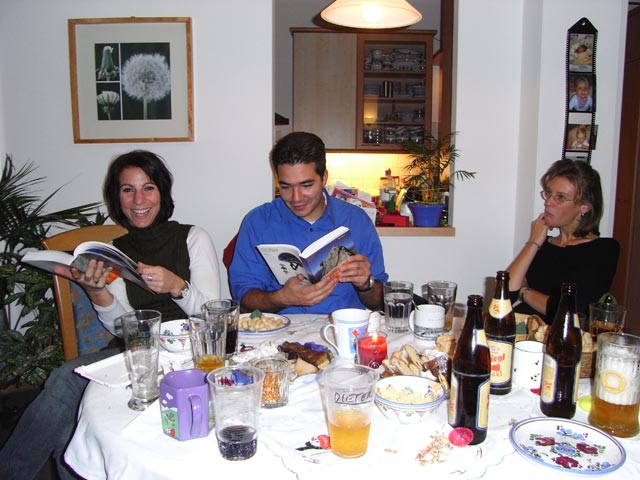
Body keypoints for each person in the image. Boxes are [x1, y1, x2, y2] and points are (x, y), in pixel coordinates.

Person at [0, 150, 220, 479]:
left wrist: (178, 287)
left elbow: (213, 319)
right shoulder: (115, 251)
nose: (138, 200)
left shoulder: (193, 237)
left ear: (162, 192)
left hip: (193, 356)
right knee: (67, 398)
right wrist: (96, 291)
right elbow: (122, 327)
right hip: (139, 354)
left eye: (148, 188)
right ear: (117, 197)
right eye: (127, 190)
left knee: (65, 389)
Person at [229, 131, 387, 314]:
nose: (296, 198)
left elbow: (379, 303)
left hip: (342, 327)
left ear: (324, 178)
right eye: (286, 187)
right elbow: (243, 300)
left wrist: (366, 284)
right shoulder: (258, 222)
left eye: (306, 185)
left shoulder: (356, 220)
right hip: (281, 329)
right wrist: (281, 298)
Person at [507, 158, 619, 324]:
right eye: (548, 193)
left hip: (560, 335)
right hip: (522, 326)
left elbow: (568, 310)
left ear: (584, 206)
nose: (548, 202)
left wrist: (524, 291)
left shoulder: (603, 249)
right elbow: (505, 293)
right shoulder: (543, 243)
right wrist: (533, 242)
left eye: (560, 197)